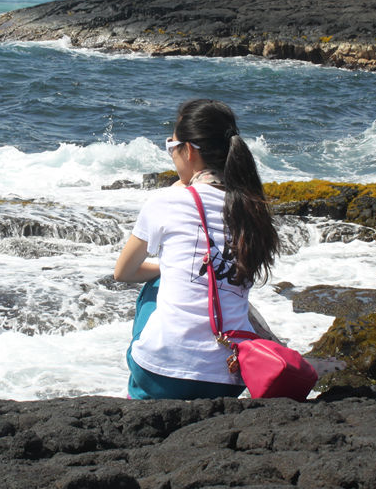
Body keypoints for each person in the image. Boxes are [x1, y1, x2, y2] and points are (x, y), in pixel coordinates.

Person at [114, 99, 280, 399]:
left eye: (171, 147)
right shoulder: (252, 208)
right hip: (230, 377)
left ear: (189, 151)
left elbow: (123, 272)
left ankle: (138, 398)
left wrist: (171, 268)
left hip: (162, 370)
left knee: (156, 284)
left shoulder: (166, 201)